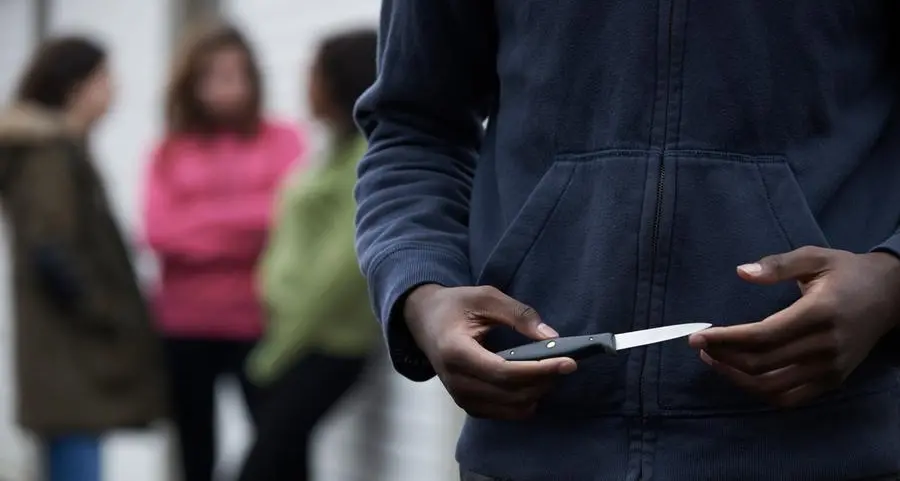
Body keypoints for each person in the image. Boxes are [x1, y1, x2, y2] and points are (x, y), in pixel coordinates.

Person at [354, 2, 900, 480]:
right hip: (533, 440)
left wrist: (891, 279)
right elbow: (415, 128)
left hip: (829, 441)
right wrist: (423, 291)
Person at [142, 21, 304, 481]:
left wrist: (201, 221)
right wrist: (245, 225)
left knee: (278, 448)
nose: (225, 87)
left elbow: (284, 219)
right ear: (191, 84)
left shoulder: (282, 139)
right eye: (212, 75)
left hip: (260, 321)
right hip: (184, 324)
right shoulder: (169, 151)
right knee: (195, 452)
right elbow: (159, 233)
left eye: (235, 74)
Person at [0, 37, 167, 481]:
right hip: (69, 351)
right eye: (104, 79)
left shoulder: (58, 149)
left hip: (66, 349)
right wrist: (105, 310)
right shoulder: (49, 154)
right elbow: (50, 248)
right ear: (74, 86)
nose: (115, 91)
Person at [238, 28, 380, 481]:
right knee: (286, 464)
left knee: (261, 466)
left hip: (322, 342)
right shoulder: (332, 150)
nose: (306, 84)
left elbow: (343, 266)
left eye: (315, 73)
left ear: (342, 80)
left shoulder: (363, 156)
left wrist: (280, 348)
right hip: (295, 337)